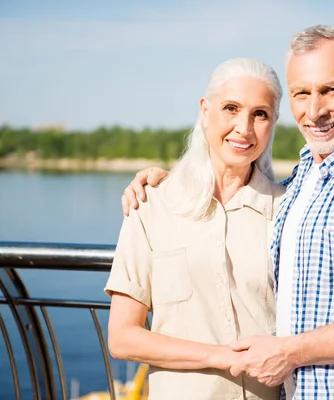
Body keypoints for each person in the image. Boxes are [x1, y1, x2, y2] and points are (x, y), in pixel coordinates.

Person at [121, 25, 334, 399]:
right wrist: (166, 182)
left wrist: (286, 353)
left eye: (332, 89)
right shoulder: (307, 177)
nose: (315, 110)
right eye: (301, 93)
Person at [104, 58, 286, 400]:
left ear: (273, 122)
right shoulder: (150, 205)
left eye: (260, 114)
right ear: (205, 111)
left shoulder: (289, 209)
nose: (244, 128)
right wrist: (219, 356)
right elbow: (122, 337)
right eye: (230, 108)